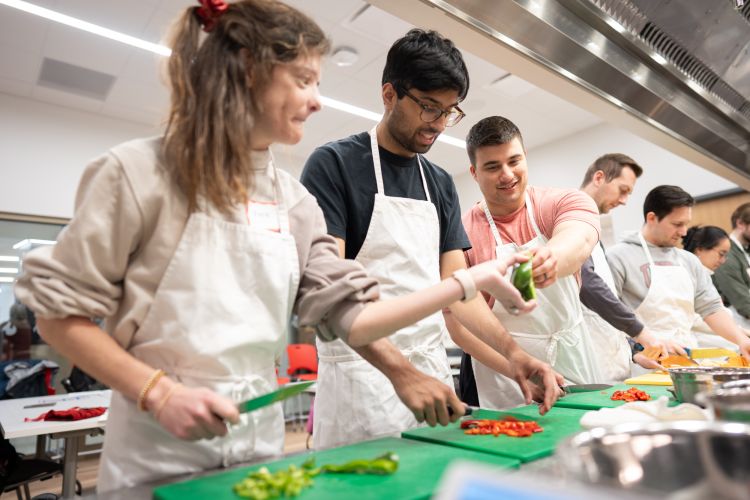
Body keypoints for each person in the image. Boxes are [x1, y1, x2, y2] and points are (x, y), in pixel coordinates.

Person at [13, 1, 535, 491]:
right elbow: (60, 317)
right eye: (304, 80)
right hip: (158, 447)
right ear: (247, 74)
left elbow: (353, 316)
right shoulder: (134, 174)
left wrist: (470, 287)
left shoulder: (291, 201)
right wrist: (159, 392)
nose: (315, 100)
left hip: (258, 441)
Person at [301, 30, 561, 449]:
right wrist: (401, 372)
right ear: (389, 94)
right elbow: (330, 297)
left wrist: (513, 355)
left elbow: (461, 291)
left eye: (448, 112)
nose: (438, 124)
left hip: (433, 375)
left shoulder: (438, 182)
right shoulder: (334, 165)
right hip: (362, 376)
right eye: (427, 108)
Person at [459, 115, 601, 409]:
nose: (507, 174)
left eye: (514, 161)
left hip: (571, 353)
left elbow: (579, 236)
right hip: (505, 374)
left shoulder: (562, 201)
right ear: (474, 172)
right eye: (492, 166)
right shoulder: (461, 232)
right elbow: (458, 323)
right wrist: (514, 367)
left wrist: (553, 258)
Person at [607, 186, 750, 358]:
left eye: (686, 224)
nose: (683, 232)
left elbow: (711, 308)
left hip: (686, 357)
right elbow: (607, 316)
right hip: (644, 360)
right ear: (652, 218)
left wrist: (741, 339)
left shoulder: (688, 261)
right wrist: (637, 349)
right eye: (677, 224)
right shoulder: (618, 257)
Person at [578, 154, 682, 381]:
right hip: (585, 362)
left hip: (609, 358)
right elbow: (587, 285)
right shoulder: (571, 217)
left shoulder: (593, 226)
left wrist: (635, 351)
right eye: (622, 190)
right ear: (599, 178)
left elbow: (604, 302)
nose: (624, 200)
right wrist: (641, 333)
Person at [683, 225, 745, 350]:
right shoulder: (686, 275)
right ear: (700, 249)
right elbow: (701, 318)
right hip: (698, 340)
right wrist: (739, 333)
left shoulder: (705, 276)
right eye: (721, 254)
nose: (723, 261)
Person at [713, 203, 750, 330]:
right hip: (739, 321)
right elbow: (741, 300)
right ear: (740, 224)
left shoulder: (745, 250)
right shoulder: (727, 254)